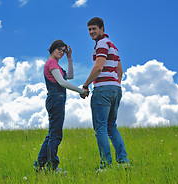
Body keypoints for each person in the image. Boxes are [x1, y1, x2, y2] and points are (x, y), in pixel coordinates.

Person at [82, 17, 129, 172]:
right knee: (111, 126)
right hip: (115, 89)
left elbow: (98, 67)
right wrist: (115, 84)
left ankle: (106, 166)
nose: (91, 32)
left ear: (102, 28)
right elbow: (120, 71)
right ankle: (123, 162)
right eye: (89, 29)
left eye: (94, 29)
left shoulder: (101, 44)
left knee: (100, 127)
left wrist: (85, 85)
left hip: (103, 89)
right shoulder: (113, 46)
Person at [33, 40, 88, 173]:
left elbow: (70, 76)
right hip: (55, 100)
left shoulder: (56, 65)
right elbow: (62, 82)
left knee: (52, 134)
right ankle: (53, 167)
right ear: (52, 49)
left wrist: (69, 59)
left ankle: (39, 164)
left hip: (57, 101)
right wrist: (81, 91)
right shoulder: (51, 63)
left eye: (64, 51)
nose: (62, 52)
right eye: (60, 50)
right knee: (56, 135)